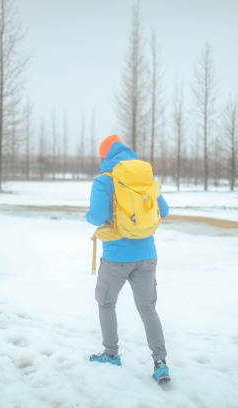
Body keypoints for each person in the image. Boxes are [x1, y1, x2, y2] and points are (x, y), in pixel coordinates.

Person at [86, 134, 171, 383]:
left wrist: (88, 217)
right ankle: (160, 362)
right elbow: (163, 211)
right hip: (148, 256)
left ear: (105, 156)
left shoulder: (105, 180)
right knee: (148, 309)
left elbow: (96, 216)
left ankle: (111, 353)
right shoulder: (144, 179)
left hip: (116, 258)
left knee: (106, 303)